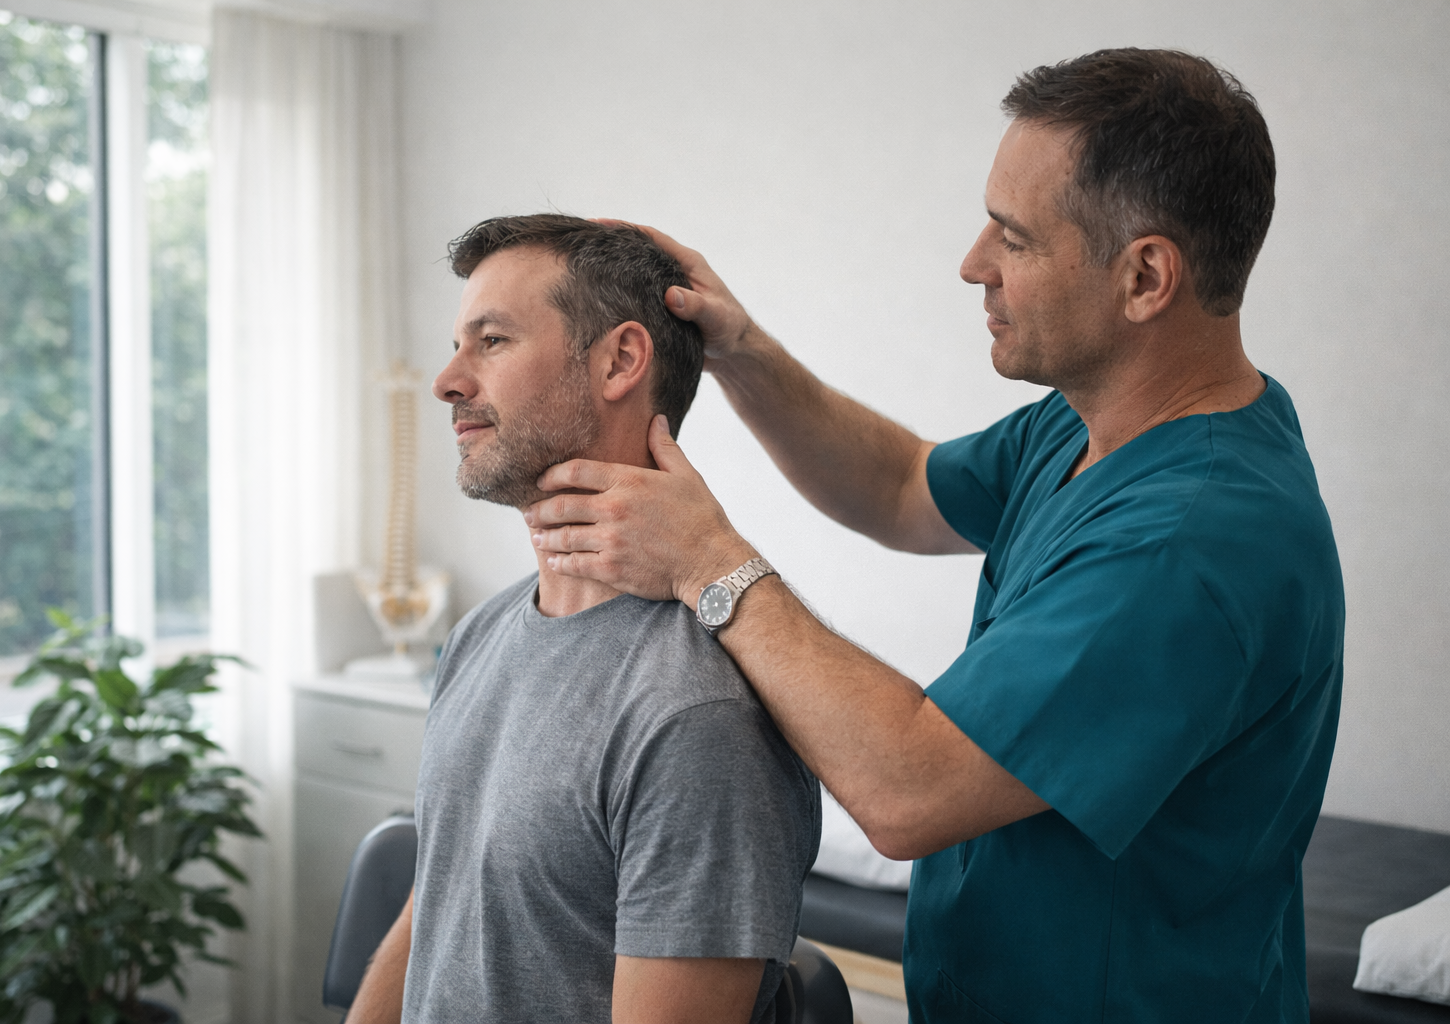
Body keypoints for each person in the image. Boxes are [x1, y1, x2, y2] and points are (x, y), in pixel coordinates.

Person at [525, 49, 1346, 1022]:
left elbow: (909, 788)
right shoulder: (1091, 425)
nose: (972, 264)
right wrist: (741, 354)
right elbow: (899, 485)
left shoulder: (1193, 541)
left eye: (1015, 238)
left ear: (1146, 277)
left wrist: (709, 561)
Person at [346, 215, 820, 1024]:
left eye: (491, 341)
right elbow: (442, 900)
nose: (448, 381)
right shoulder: (478, 637)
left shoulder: (697, 716)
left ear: (619, 361)